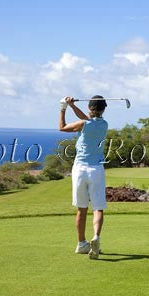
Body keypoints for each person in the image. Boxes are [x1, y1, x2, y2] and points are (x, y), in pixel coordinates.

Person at [59, 95, 108, 260]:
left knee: (81, 209)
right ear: (104, 109)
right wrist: (73, 106)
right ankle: (96, 237)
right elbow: (88, 119)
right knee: (98, 208)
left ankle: (81, 244)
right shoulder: (104, 125)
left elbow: (62, 127)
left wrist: (63, 108)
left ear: (90, 108)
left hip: (79, 170)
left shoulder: (83, 124)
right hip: (97, 170)